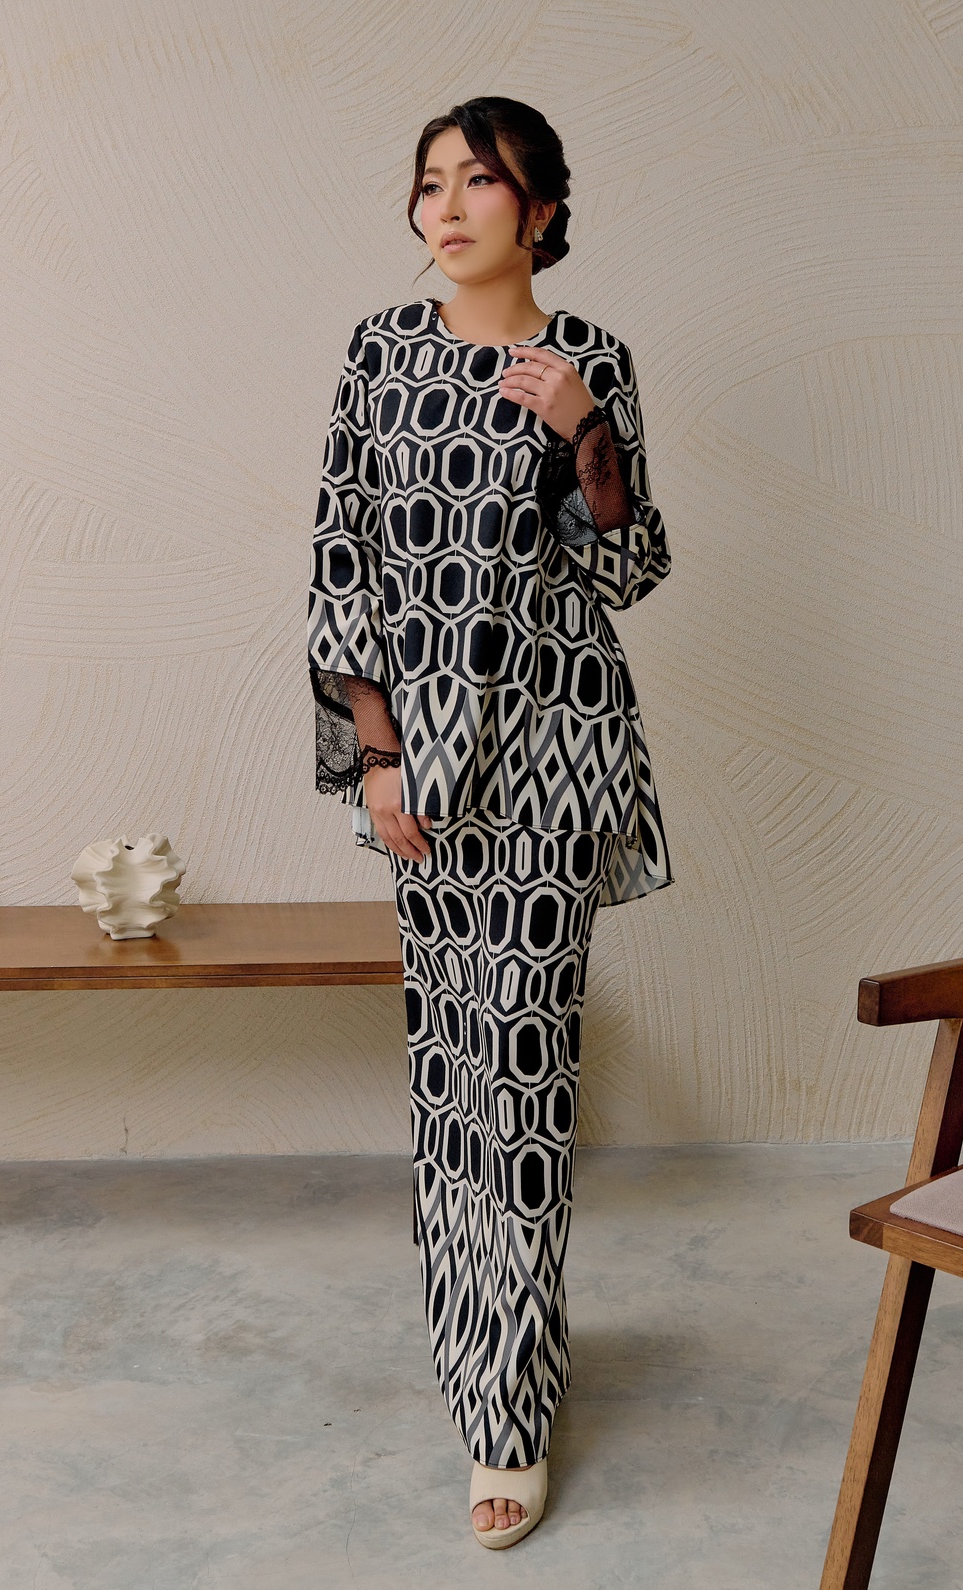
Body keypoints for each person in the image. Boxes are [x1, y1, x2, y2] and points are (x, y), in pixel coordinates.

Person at [306, 95, 672, 1548]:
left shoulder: (594, 361)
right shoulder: (379, 355)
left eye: (479, 181)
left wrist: (584, 431)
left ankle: (509, 1416)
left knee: (523, 1072)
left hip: (554, 760)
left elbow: (628, 570)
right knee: (450, 1076)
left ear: (541, 209)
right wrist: (374, 753)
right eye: (429, 184)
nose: (446, 207)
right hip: (425, 768)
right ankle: (482, 1352)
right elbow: (342, 555)